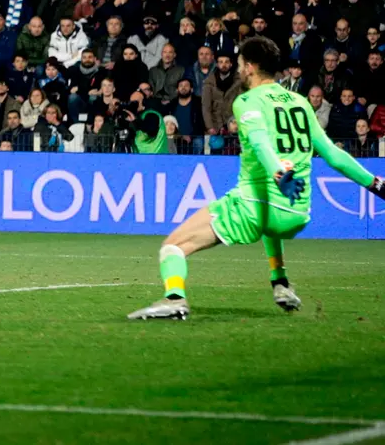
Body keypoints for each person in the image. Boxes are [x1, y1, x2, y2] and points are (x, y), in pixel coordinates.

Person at [129, 37, 385, 320]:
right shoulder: (300, 102)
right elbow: (334, 155)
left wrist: (280, 174)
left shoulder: (247, 101)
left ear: (249, 67)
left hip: (255, 205)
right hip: (296, 212)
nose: (239, 69)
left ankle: (174, 299)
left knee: (173, 246)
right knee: (269, 219)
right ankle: (281, 282)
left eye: (240, 64)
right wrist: (376, 184)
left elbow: (261, 141)